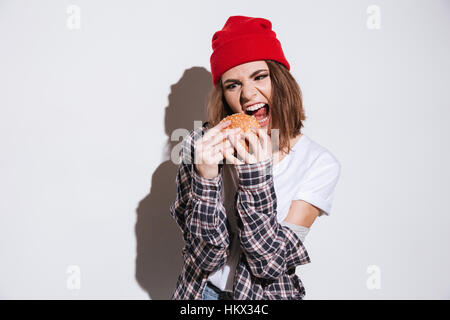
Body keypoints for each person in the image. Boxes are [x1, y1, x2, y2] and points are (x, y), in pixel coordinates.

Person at [170, 15, 341, 300]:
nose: (248, 94)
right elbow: (204, 258)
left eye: (260, 77)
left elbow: (269, 262)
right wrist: (206, 177)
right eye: (232, 85)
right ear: (223, 95)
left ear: (281, 80)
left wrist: (255, 176)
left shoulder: (319, 163)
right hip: (198, 294)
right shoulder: (200, 146)